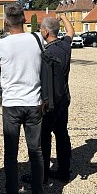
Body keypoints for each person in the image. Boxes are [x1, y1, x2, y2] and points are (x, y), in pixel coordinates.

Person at [0, 3, 44, 194]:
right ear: (24, 19)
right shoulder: (37, 38)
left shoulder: (1, 44)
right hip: (34, 102)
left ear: (5, 22)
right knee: (36, 152)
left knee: (11, 154)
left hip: (12, 103)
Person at [39, 14, 74, 183]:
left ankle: (43, 174)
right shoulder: (65, 46)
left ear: (46, 32)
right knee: (62, 135)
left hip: (49, 102)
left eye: (40, 28)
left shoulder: (46, 53)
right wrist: (64, 17)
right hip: (64, 99)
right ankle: (64, 171)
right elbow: (70, 31)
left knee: (44, 137)